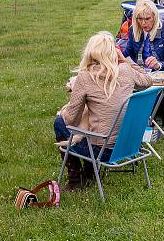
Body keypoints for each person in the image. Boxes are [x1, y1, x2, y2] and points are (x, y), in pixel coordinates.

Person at [53, 31, 154, 191]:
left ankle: (75, 180)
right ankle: (90, 174)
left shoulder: (85, 76)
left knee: (59, 122)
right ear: (114, 51)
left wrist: (70, 103)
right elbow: (148, 80)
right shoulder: (126, 70)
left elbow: (71, 120)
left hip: (102, 151)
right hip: (129, 145)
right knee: (93, 124)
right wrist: (125, 59)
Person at [124, 0, 164, 71]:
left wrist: (158, 65)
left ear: (154, 17)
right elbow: (128, 51)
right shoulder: (133, 29)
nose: (143, 23)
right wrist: (113, 54)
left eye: (147, 19)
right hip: (142, 72)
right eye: (140, 19)